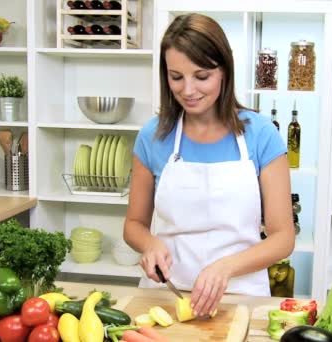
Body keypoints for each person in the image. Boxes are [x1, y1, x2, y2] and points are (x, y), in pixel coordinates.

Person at [123, 13, 295, 318]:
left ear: (224, 71)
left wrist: (225, 267)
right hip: (168, 297)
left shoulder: (261, 135)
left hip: (242, 297)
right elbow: (134, 225)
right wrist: (148, 244)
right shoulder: (153, 136)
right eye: (176, 77)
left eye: (201, 76)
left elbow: (283, 237)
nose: (188, 90)